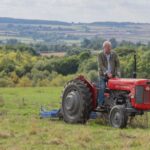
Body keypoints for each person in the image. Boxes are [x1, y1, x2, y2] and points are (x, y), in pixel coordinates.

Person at [97, 41, 120, 109]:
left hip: (112, 75)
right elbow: (101, 65)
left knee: (115, 88)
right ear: (104, 48)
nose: (109, 49)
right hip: (103, 75)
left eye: (110, 47)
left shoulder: (114, 54)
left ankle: (113, 103)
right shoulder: (100, 55)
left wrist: (117, 73)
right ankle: (100, 104)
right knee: (102, 87)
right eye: (108, 48)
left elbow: (118, 65)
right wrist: (107, 73)